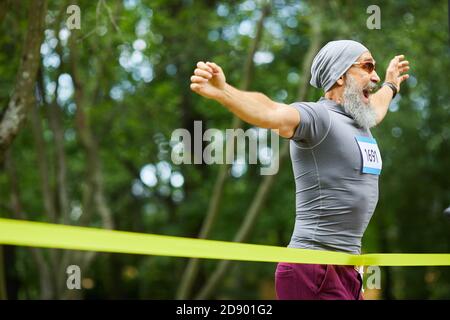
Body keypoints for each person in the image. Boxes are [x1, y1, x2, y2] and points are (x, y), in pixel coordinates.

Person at [189, 40, 410, 300]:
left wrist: (391, 84)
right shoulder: (318, 117)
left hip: (348, 270)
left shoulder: (360, 119)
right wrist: (224, 91)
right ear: (340, 75)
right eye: (368, 66)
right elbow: (271, 111)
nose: (374, 76)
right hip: (312, 269)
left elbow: (379, 106)